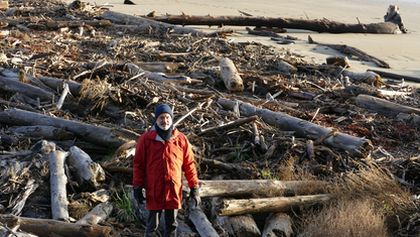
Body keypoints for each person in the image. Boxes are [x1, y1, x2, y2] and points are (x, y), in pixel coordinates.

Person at [132, 103, 201, 237]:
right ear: (156, 120)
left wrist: (194, 187)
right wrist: (137, 187)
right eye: (161, 118)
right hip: (154, 189)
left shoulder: (181, 139)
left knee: (172, 225)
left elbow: (189, 164)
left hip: (173, 189)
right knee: (152, 226)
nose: (165, 121)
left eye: (167, 117)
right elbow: (138, 165)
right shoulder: (146, 139)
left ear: (172, 119)